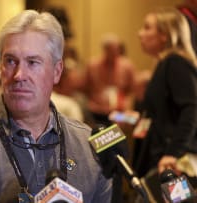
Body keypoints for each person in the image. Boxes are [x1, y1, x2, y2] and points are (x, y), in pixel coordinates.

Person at [0, 10, 112, 203]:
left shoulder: (88, 145)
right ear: (0, 69)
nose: (19, 75)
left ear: (57, 71)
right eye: (10, 61)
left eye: (33, 62)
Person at [136, 7, 197, 178]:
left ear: (165, 35)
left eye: (147, 28)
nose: (140, 34)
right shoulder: (164, 64)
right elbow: (162, 116)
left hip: (174, 162)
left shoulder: (175, 62)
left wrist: (173, 153)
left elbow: (191, 110)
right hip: (164, 157)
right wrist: (132, 118)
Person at [81, 33, 136, 127]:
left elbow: (132, 91)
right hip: (97, 111)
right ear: (105, 49)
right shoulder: (92, 65)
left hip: (119, 113)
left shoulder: (127, 66)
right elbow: (85, 87)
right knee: (100, 137)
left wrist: (127, 107)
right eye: (112, 50)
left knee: (133, 120)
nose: (115, 53)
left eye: (117, 49)